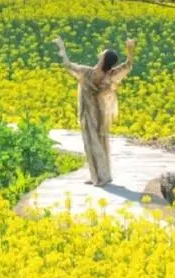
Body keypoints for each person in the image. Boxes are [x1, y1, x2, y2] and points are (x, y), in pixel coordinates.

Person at [53, 35, 136, 186]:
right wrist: (130, 49)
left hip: (92, 114)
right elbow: (128, 65)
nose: (101, 52)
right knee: (96, 143)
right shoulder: (107, 74)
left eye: (103, 53)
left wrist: (62, 48)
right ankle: (99, 175)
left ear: (103, 59)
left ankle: (100, 177)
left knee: (93, 143)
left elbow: (68, 65)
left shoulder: (88, 73)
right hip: (96, 113)